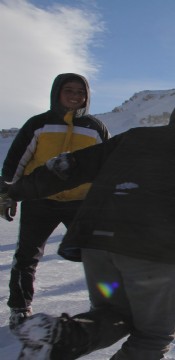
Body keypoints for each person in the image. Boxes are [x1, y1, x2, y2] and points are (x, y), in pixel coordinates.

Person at [0, 86, 175, 359]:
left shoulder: (136, 137)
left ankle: (61, 336)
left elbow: (71, 166)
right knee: (153, 336)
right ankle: (59, 337)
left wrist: (14, 191)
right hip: (154, 254)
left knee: (114, 314)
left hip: (97, 245)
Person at [1, 73, 109, 330]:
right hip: (40, 200)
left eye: (80, 92)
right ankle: (19, 307)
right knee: (26, 256)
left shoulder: (95, 128)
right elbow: (17, 161)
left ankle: (106, 303)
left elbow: (106, 165)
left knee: (98, 255)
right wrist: (7, 194)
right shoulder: (39, 124)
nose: (75, 95)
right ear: (57, 92)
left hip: (80, 202)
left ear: (87, 96)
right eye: (68, 90)